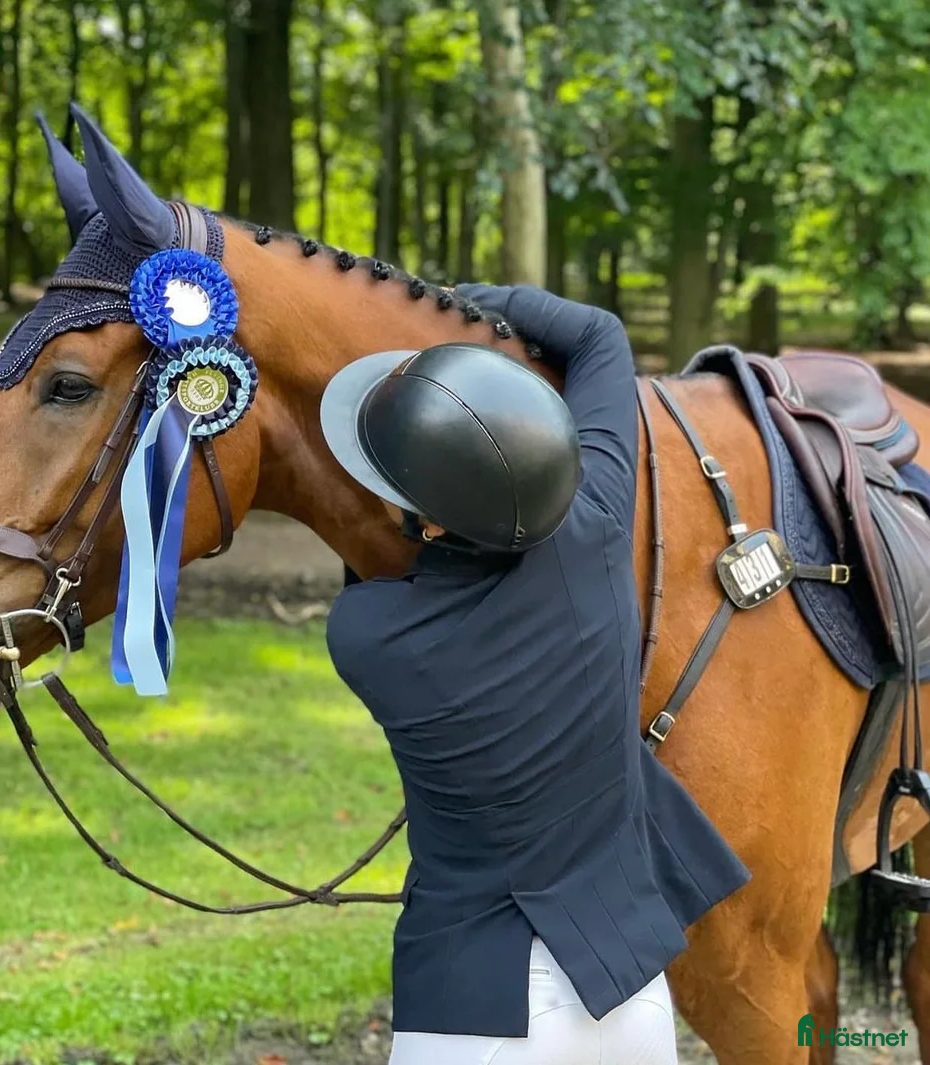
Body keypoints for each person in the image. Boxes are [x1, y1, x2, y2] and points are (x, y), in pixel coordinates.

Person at [320, 285, 750, 1065]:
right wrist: (473, 298)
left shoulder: (367, 634)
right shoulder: (597, 526)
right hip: (629, 991)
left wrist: (429, 293)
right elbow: (600, 337)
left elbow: (373, 554)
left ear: (437, 519)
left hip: (474, 1008)